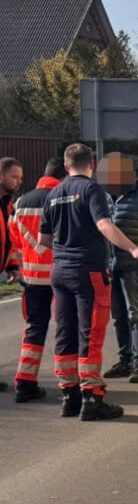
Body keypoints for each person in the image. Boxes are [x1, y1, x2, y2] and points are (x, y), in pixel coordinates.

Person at [39, 143, 138, 420]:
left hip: (60, 272)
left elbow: (43, 241)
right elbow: (104, 225)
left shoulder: (53, 194)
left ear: (66, 166)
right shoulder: (91, 190)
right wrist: (134, 249)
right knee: (90, 334)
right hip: (87, 272)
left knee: (65, 334)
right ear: (91, 162)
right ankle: (92, 398)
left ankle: (69, 395)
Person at [8, 157, 67, 403]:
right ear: (62, 177)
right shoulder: (64, 198)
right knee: (66, 331)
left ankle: (24, 383)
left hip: (32, 278)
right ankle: (69, 385)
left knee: (34, 330)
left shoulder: (21, 201)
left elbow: (13, 240)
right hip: (61, 276)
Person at [97, 152, 138, 383]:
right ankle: (124, 360)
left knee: (135, 314)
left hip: (133, 264)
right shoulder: (105, 195)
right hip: (112, 265)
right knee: (118, 316)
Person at [1, 156, 24, 393]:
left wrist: (11, 266)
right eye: (14, 177)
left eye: (20, 178)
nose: (18, 182)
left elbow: (8, 240)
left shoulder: (7, 203)